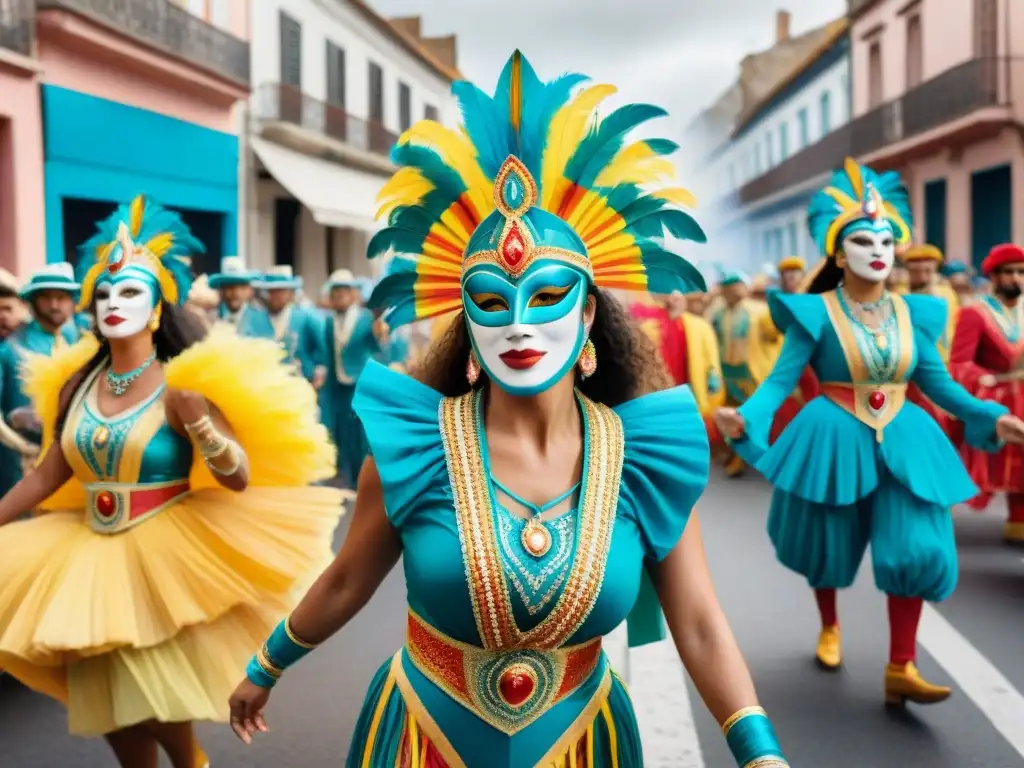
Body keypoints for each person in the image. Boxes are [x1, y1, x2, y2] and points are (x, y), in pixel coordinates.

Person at [227, 50, 791, 768]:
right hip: (424, 739)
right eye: (493, 301)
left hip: (582, 741)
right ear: (465, 323)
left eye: (548, 297)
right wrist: (266, 667)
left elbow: (702, 624)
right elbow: (346, 579)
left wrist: (760, 751)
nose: (519, 324)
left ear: (588, 315)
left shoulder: (644, 457)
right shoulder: (415, 446)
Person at [0, 196, 344, 768]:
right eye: (105, 294)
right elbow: (46, 476)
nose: (114, 303)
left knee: (154, 700)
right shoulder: (75, 388)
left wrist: (201, 424)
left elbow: (238, 478)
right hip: (83, 553)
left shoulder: (186, 384)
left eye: (130, 292)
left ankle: (191, 764)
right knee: (110, 704)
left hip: (162, 554)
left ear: (157, 309)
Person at [715, 159, 1024, 706]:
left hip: (904, 434)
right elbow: (780, 380)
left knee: (918, 547)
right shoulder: (814, 314)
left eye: (886, 240)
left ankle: (901, 664)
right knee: (825, 544)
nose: (878, 250)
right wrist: (747, 417)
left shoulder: (915, 314)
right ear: (838, 255)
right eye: (862, 240)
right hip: (832, 432)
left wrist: (988, 416)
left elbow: (941, 384)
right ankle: (830, 624)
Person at [950, 243, 1024, 544]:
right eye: (1008, 272)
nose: (1016, 278)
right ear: (993, 276)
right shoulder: (974, 313)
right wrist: (990, 379)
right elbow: (959, 363)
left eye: (1021, 272)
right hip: (998, 402)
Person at [0, 263, 84, 480]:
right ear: (33, 301)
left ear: (72, 301)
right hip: (22, 465)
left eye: (62, 297)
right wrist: (23, 447)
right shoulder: (9, 349)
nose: (54, 305)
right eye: (46, 297)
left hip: (74, 462)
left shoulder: (82, 342)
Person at [318, 268, 389, 489]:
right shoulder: (329, 322)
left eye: (344, 291)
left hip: (360, 383)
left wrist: (380, 331)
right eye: (335, 291)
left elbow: (377, 345)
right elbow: (329, 354)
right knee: (340, 430)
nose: (339, 296)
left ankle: (363, 478)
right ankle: (345, 475)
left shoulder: (366, 318)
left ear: (353, 294)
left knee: (362, 432)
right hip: (337, 385)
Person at [711, 270, 777, 476]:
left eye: (737, 286)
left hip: (751, 375)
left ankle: (743, 459)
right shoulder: (717, 313)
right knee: (728, 417)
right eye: (728, 287)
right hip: (727, 374)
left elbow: (774, 335)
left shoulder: (760, 311)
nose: (733, 291)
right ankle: (735, 454)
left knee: (749, 418)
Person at [630, 290, 724, 436]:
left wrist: (712, 393)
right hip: (655, 401)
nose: (675, 298)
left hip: (690, 400)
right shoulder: (645, 324)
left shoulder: (700, 326)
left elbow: (712, 364)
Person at [256, 265, 328, 388]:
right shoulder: (258, 319)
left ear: (291, 294)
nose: (277, 296)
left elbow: (323, 347)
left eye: (282, 291)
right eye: (272, 291)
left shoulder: (306, 318)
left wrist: (320, 370)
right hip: (267, 387)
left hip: (301, 383)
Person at [208, 256, 275, 338]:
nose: (236, 293)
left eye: (241, 287)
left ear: (250, 291)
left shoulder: (260, 320)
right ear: (221, 291)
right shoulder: (212, 319)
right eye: (229, 287)